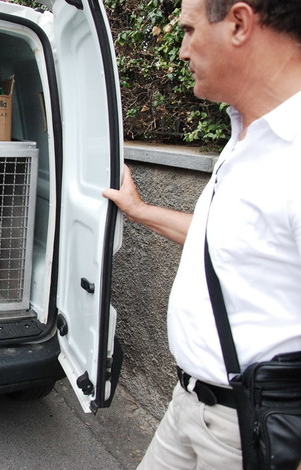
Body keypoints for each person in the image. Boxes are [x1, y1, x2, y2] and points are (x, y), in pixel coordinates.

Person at [103, 0, 301, 468]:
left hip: (251, 431)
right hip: (188, 404)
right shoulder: (248, 133)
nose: (183, 50)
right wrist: (140, 210)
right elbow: (227, 242)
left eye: (190, 31)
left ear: (238, 23)